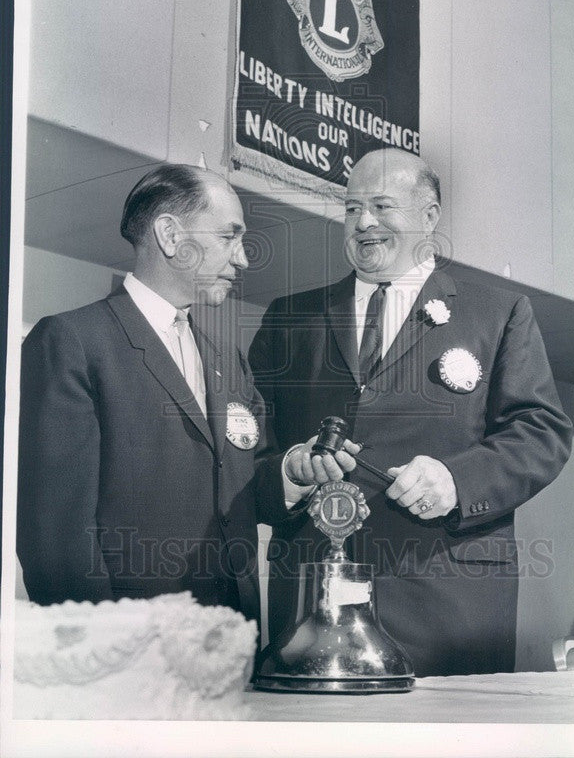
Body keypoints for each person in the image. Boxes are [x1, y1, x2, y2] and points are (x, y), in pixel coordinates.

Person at [249, 148, 573, 675]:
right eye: (352, 209)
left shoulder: (497, 313)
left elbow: (542, 432)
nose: (363, 223)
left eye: (381, 206)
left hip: (448, 601)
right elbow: (254, 450)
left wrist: (456, 480)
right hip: (311, 604)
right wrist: (290, 471)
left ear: (429, 216)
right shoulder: (290, 317)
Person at [17, 163, 355, 619]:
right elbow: (54, 533)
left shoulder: (227, 361)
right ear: (170, 235)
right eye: (228, 237)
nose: (243, 259)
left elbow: (245, 484)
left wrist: (293, 473)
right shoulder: (73, 342)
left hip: (233, 637)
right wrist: (99, 651)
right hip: (133, 649)